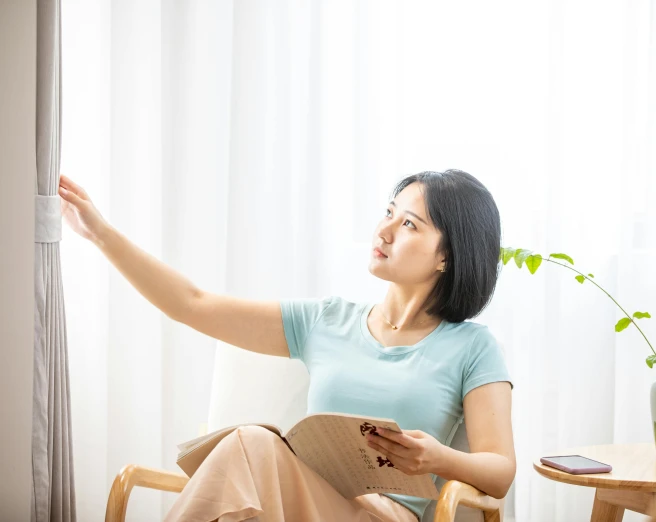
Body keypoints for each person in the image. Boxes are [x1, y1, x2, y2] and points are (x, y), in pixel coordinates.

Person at [59, 169, 516, 522]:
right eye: (389, 211)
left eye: (410, 224)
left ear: (446, 256)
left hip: (382, 514)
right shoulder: (325, 321)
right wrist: (99, 233)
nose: (384, 230)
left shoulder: (473, 347)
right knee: (250, 464)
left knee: (253, 446)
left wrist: (436, 458)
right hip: (291, 502)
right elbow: (191, 304)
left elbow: (500, 471)